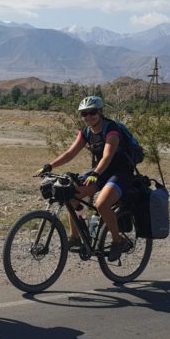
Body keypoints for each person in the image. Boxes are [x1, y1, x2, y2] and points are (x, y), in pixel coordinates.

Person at [44, 96, 135, 261]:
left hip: (121, 173)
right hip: (100, 172)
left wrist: (95, 173)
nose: (88, 117)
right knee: (70, 195)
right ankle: (77, 237)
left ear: (100, 112)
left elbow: (107, 156)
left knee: (101, 204)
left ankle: (117, 241)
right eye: (84, 114)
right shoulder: (86, 132)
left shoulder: (111, 129)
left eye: (92, 112)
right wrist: (50, 166)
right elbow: (70, 153)